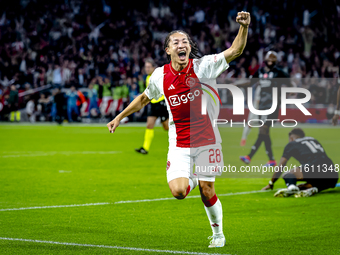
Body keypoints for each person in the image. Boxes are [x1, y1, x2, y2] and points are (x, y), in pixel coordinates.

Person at [107, 11, 250, 248]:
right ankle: (193, 178)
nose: (182, 45)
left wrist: (243, 28)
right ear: (168, 50)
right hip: (179, 144)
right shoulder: (160, 76)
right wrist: (119, 117)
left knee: (207, 190)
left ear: (189, 47)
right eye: (176, 42)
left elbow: (235, 50)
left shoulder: (203, 66)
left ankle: (218, 235)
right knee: (179, 191)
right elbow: (144, 98)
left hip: (208, 141)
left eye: (185, 41)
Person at [239, 51, 295, 167]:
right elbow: (250, 83)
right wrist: (237, 85)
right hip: (261, 107)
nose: (270, 61)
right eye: (268, 59)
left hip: (273, 106)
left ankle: (251, 156)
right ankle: (270, 160)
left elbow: (290, 84)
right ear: (265, 60)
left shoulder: (279, 73)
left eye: (272, 59)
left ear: (275, 61)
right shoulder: (259, 72)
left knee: (263, 130)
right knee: (264, 133)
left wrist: (291, 91)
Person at [262, 128, 338, 197]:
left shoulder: (291, 144)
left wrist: (271, 183)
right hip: (332, 173)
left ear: (291, 138)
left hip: (313, 167)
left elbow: (281, 167)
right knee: (303, 185)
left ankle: (291, 187)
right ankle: (314, 189)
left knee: (288, 174)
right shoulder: (313, 139)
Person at [135, 59, 169, 154]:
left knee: (166, 127)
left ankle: (184, 141)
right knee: (149, 125)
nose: (147, 69)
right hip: (153, 105)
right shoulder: (147, 78)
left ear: (154, 68)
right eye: (146, 67)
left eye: (149, 67)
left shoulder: (158, 76)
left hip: (161, 104)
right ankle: (145, 148)